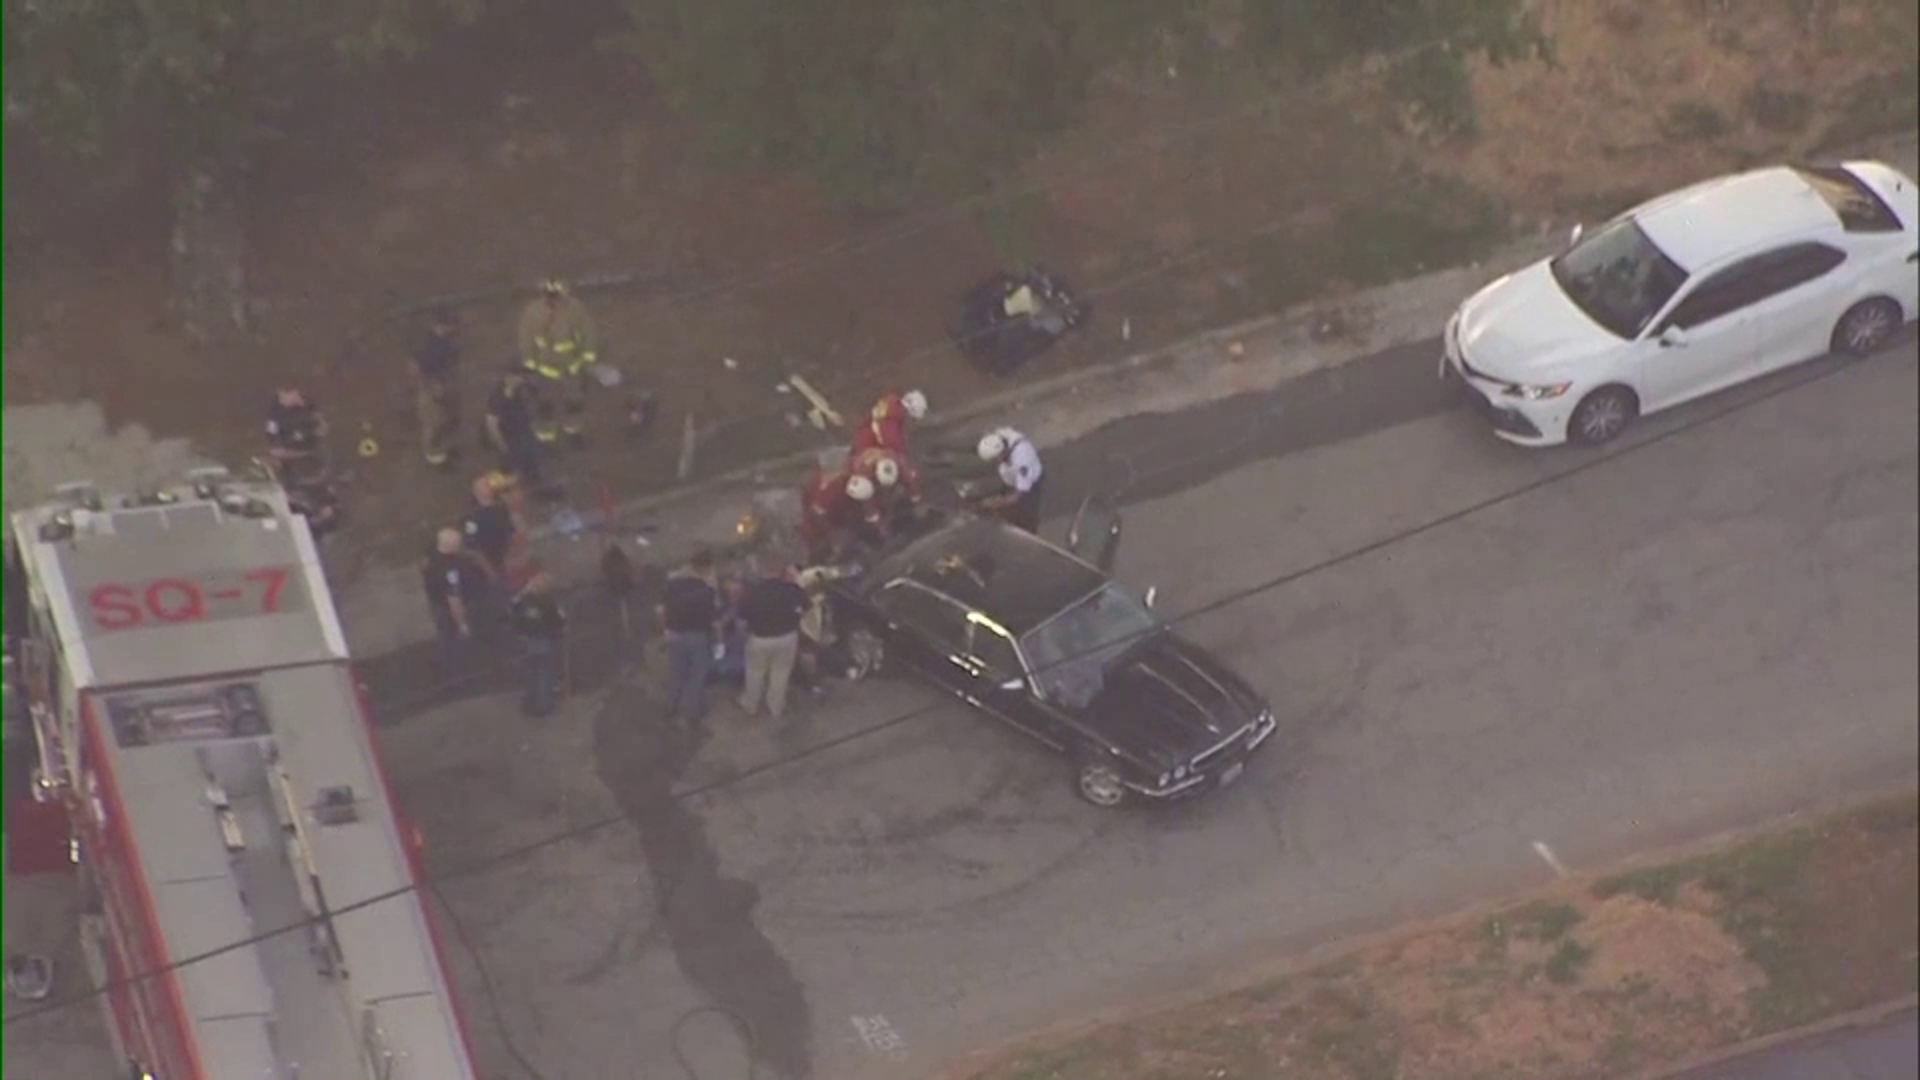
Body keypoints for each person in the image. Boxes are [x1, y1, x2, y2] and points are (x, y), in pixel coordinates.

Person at [516, 279, 600, 449]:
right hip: (545, 370)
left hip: (572, 367)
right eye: (549, 296)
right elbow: (525, 340)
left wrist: (586, 360)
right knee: (545, 407)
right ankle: (546, 440)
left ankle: (573, 434)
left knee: (574, 403)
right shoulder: (533, 313)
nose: (553, 300)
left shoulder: (576, 310)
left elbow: (588, 333)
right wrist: (531, 367)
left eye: (556, 296)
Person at [657, 549, 722, 725]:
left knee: (676, 672)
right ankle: (692, 711)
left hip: (674, 635)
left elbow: (661, 612)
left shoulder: (672, 584)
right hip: (698, 637)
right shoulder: (707, 591)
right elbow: (715, 622)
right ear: (705, 568)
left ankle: (671, 705)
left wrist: (664, 632)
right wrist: (719, 642)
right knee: (697, 674)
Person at [737, 564, 809, 722]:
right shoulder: (791, 589)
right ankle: (775, 706)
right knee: (781, 673)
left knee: (755, 672)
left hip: (759, 639)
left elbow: (742, 617)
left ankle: (751, 704)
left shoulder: (753, 592)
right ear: (782, 571)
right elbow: (806, 605)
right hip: (787, 637)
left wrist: (744, 636)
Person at [421, 528, 482, 671]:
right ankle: (458, 669)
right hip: (448, 609)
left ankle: (448, 663)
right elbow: (453, 599)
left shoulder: (433, 554)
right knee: (453, 640)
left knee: (444, 635)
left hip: (435, 602)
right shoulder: (450, 570)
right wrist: (462, 624)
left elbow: (423, 565)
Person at [508, 572, 567, 718]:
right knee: (545, 674)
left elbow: (512, 609)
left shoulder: (522, 602)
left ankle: (529, 704)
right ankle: (544, 706)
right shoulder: (549, 603)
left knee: (530, 674)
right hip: (545, 641)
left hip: (526, 642)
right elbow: (559, 621)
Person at [412, 309, 463, 469]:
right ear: (443, 325)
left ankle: (444, 450)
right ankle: (434, 457)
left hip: (442, 384)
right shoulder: (430, 346)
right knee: (434, 423)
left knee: (447, 418)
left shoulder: (443, 341)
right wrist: (435, 389)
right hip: (432, 387)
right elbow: (422, 371)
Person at [485, 368, 547, 493]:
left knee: (531, 459)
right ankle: (497, 489)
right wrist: (501, 444)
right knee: (509, 467)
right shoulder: (497, 397)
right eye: (518, 377)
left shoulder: (521, 391)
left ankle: (534, 481)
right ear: (509, 377)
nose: (521, 380)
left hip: (525, 432)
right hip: (510, 437)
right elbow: (492, 424)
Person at [976, 426, 1045, 532]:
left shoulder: (1022, 460)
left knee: (1027, 515)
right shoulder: (1001, 437)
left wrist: (996, 503)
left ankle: (1028, 535)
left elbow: (1018, 495)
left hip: (1030, 484)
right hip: (1011, 477)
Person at [264, 386, 328, 485]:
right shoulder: (276, 412)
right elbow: (271, 433)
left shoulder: (309, 411)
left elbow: (320, 433)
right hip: (289, 458)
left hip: (309, 458)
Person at [462, 475, 517, 579]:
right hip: (487, 563)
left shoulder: (502, 510)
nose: (489, 487)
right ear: (476, 492)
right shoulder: (471, 517)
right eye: (484, 485)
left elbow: (511, 532)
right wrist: (488, 568)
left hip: (508, 559)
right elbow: (471, 544)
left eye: (488, 485)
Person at [850, 389, 928, 457]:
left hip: (864, 446)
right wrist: (902, 453)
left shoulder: (889, 406)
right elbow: (890, 439)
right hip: (869, 449)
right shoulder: (894, 413)